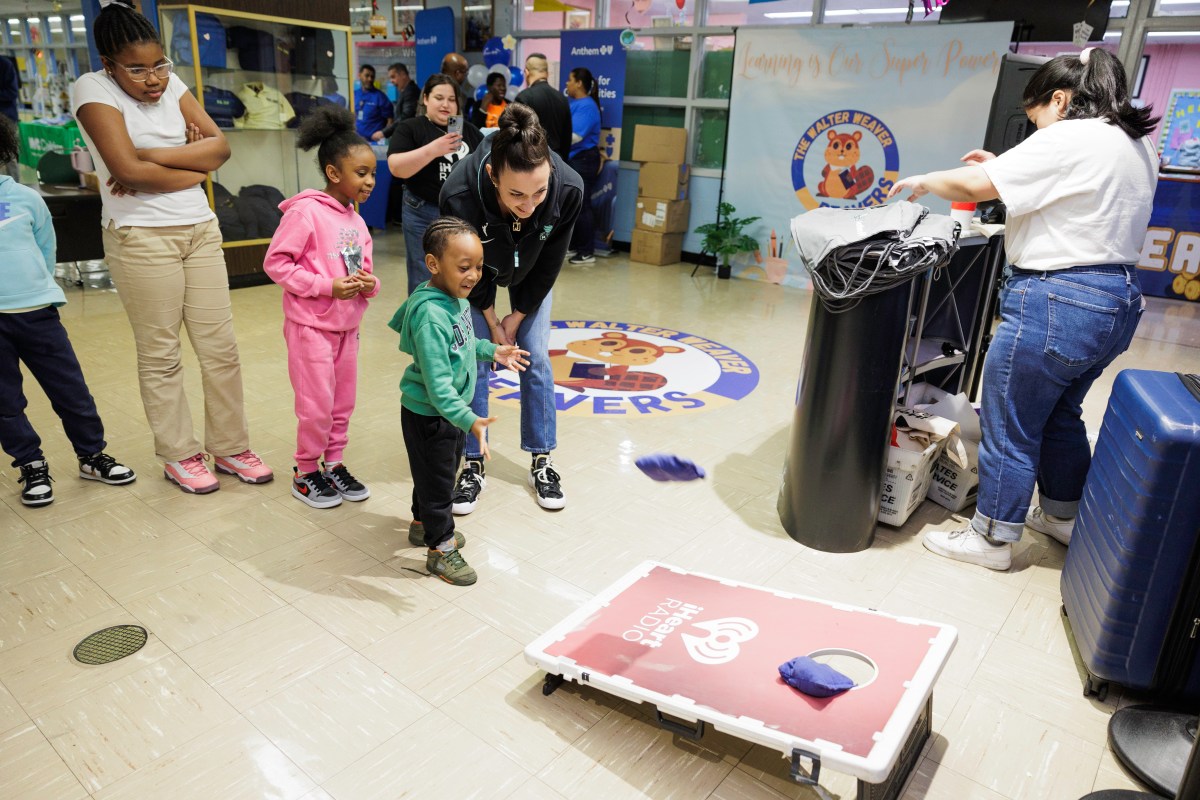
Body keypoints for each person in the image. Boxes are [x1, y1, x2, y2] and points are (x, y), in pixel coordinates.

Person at [888, 47, 1157, 571]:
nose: (1038, 131)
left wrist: (924, 180)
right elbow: (1082, 201)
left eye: (1037, 119)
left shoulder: (1071, 133)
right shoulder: (1136, 142)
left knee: (1012, 422)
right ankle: (1062, 514)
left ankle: (991, 538)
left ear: (1060, 99)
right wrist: (1004, 170)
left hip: (1056, 300)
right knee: (1059, 414)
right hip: (1117, 301)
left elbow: (971, 187)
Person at [73, 0, 272, 494]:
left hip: (200, 228)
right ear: (108, 66)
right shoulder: (90, 89)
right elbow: (127, 174)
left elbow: (219, 150)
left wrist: (146, 155)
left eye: (159, 65)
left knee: (220, 349)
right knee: (161, 353)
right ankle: (180, 454)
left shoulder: (173, 83)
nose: (153, 79)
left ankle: (229, 447)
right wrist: (184, 164)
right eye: (136, 70)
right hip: (139, 237)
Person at [440, 103, 583, 512]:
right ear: (492, 175)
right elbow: (463, 267)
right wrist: (489, 317)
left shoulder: (568, 188)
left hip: (532, 269)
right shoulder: (460, 191)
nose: (530, 204)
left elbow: (551, 264)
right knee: (473, 357)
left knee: (534, 355)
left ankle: (542, 458)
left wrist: (517, 315)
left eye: (539, 191)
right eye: (516, 194)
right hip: (476, 273)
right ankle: (472, 459)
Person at [0, 115, 136, 507]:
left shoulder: (26, 199)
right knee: (6, 402)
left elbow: (46, 250)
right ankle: (30, 463)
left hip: (37, 311)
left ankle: (91, 455)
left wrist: (33, 287)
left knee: (71, 391)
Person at [388, 217, 529, 586]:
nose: (473, 275)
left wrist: (492, 350)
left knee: (434, 476)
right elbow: (437, 388)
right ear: (434, 265)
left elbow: (465, 345)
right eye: (463, 267)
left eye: (479, 267)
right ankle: (441, 548)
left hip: (446, 414)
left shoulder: (455, 300)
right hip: (432, 415)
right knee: (439, 487)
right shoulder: (432, 316)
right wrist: (470, 420)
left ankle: (422, 525)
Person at [263, 105, 380, 510]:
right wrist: (325, 286)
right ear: (334, 173)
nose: (370, 181)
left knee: (342, 404)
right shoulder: (305, 212)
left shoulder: (357, 222)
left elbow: (365, 271)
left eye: (372, 173)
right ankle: (305, 471)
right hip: (310, 328)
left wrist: (369, 284)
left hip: (348, 329)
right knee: (315, 407)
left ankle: (333, 463)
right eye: (361, 173)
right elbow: (276, 263)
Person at [387, 73, 483, 295]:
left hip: (462, 215)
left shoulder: (468, 131)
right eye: (439, 97)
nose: (445, 104)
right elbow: (396, 167)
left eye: (451, 99)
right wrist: (434, 149)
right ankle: (424, 325)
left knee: (462, 271)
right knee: (423, 273)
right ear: (426, 99)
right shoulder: (411, 127)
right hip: (422, 212)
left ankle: (455, 325)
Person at [565, 67, 602, 265]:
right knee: (572, 205)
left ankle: (587, 251)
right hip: (574, 159)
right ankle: (575, 246)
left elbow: (576, 136)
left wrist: (552, 141)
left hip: (584, 159)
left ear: (579, 83)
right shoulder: (575, 103)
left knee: (582, 205)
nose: (567, 84)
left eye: (570, 80)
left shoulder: (587, 106)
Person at [515, 53, 572, 164]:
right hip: (557, 161)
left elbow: (517, 136)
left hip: (531, 162)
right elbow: (567, 138)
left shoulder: (524, 97)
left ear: (526, 72)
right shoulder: (562, 98)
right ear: (546, 74)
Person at [374, 62, 419, 143]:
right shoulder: (405, 91)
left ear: (403, 75)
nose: (391, 81)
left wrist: (384, 132)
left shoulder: (411, 92)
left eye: (393, 77)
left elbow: (406, 116)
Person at [354, 64, 391, 140]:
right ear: (359, 75)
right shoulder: (354, 94)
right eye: (367, 76)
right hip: (358, 140)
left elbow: (390, 120)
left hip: (375, 143)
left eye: (372, 77)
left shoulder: (380, 97)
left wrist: (383, 134)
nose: (370, 79)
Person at [0, 55, 19, 178]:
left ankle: (16, 187)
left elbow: (12, 92)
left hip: (7, 118)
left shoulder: (5, 65)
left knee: (10, 156)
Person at [440, 52, 472, 122]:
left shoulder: (429, 88)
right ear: (457, 73)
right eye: (465, 73)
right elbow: (456, 127)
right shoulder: (457, 95)